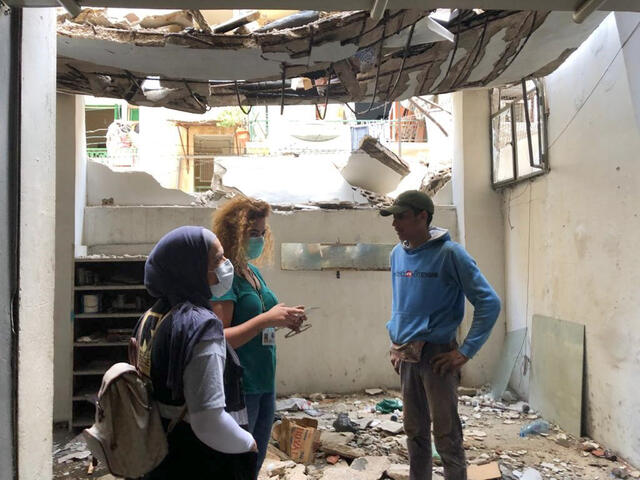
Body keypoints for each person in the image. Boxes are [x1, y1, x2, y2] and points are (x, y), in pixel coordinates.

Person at [380, 190, 501, 480]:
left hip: (438, 355)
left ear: (423, 217)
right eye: (393, 218)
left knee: (445, 433)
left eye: (402, 217)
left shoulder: (451, 254)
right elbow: (402, 304)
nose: (395, 224)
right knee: (415, 432)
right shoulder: (397, 254)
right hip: (407, 353)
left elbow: (489, 302)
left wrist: (465, 351)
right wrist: (396, 345)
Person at [136, 226, 258, 479]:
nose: (226, 266)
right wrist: (247, 443)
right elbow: (208, 419)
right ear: (189, 268)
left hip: (160, 448)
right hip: (199, 458)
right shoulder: (200, 326)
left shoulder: (152, 316)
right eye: (217, 260)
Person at [211, 197, 305, 478]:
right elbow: (219, 338)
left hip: (264, 380)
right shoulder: (225, 278)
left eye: (263, 233)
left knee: (255, 459)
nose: (260, 240)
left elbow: (258, 320)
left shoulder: (252, 273)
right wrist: (266, 319)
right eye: (253, 234)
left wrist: (283, 319)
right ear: (233, 234)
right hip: (241, 385)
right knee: (237, 463)